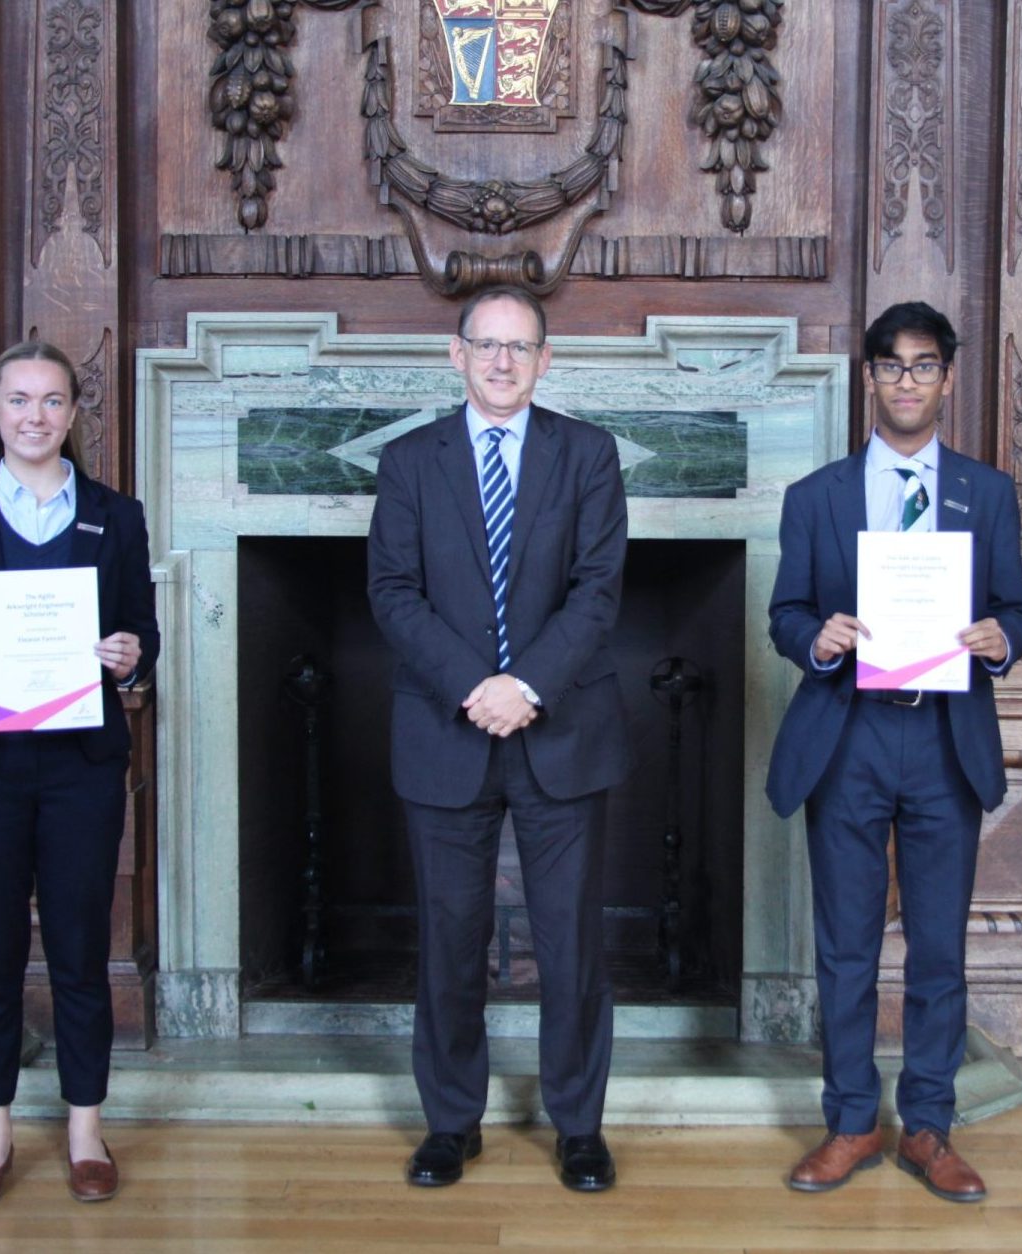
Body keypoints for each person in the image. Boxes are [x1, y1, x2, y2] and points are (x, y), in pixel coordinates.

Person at [765, 302, 1022, 1203]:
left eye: (924, 366)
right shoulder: (816, 498)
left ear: (947, 379)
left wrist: (1002, 639)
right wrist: (821, 638)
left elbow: (1018, 610)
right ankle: (850, 1123)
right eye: (892, 366)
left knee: (937, 949)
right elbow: (783, 617)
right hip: (849, 734)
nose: (907, 381)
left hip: (944, 737)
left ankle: (928, 1126)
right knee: (844, 949)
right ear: (870, 379)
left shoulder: (987, 494)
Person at [366, 286, 631, 1191]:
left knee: (571, 942)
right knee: (449, 937)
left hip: (563, 730)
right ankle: (450, 1122)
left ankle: (580, 1125)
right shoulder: (408, 461)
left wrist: (525, 686)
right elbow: (393, 591)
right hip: (447, 728)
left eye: (521, 347)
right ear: (457, 354)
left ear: (546, 359)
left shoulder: (589, 455)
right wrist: (475, 687)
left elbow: (598, 590)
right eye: (487, 345)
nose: (503, 362)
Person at [0, 341, 160, 1207]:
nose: (36, 416)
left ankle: (86, 1130)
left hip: (81, 767)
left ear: (72, 414)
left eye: (52, 401)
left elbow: (142, 636)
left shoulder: (116, 516)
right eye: (20, 400)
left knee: (84, 952)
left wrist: (128, 655)